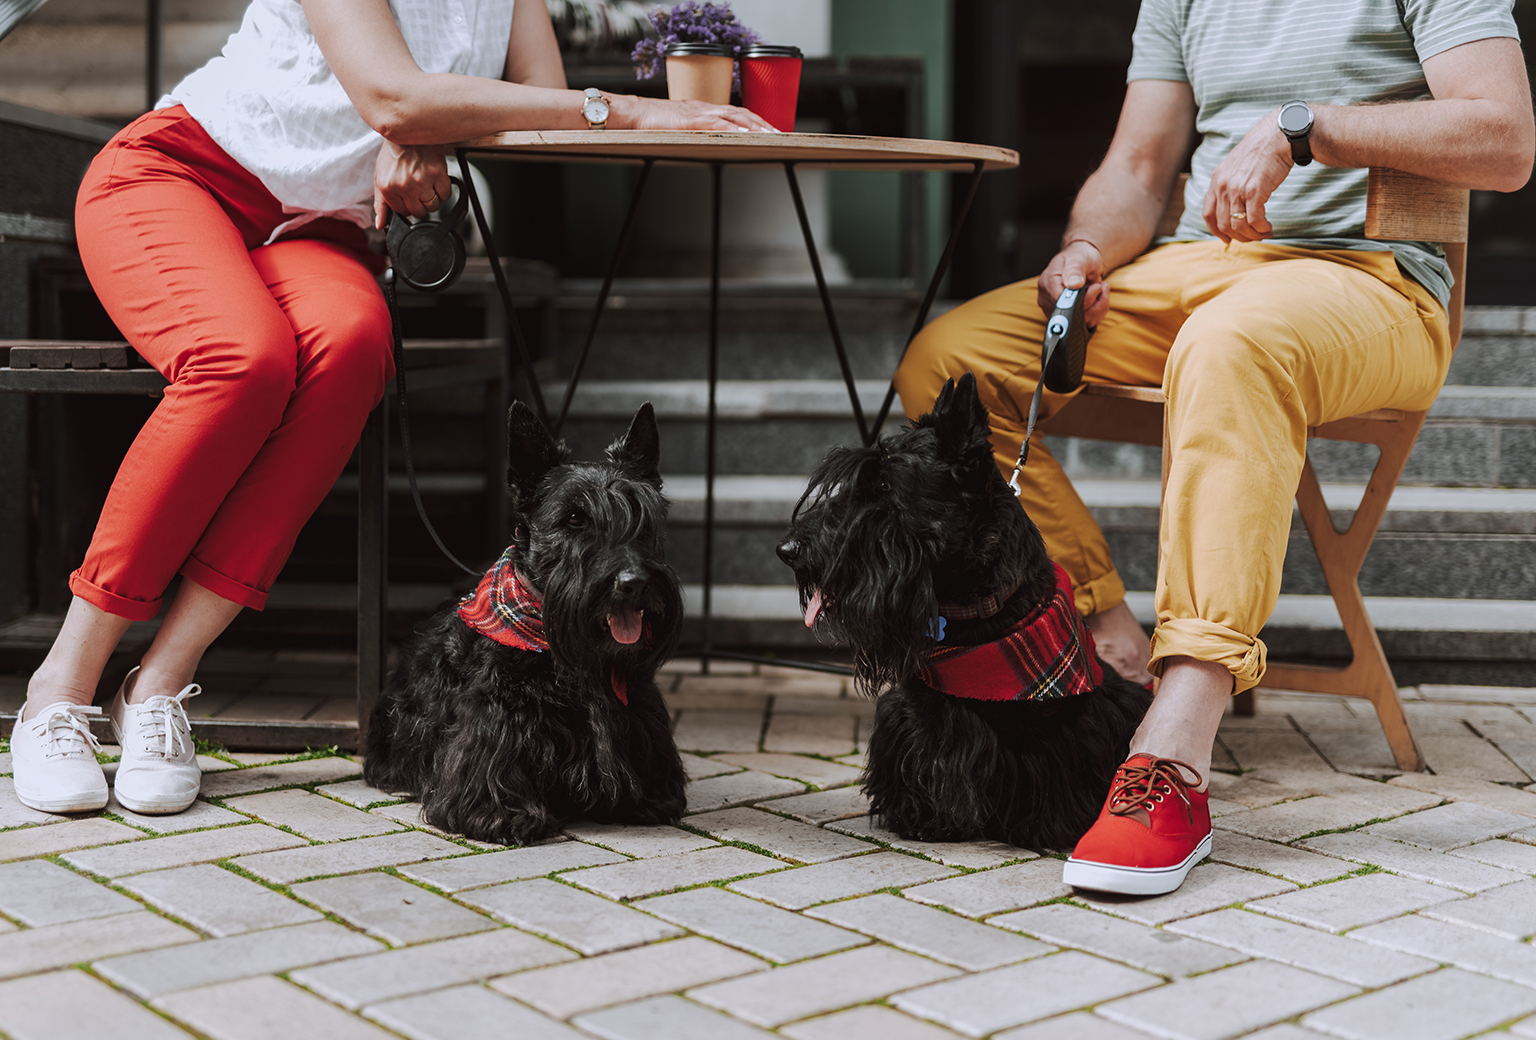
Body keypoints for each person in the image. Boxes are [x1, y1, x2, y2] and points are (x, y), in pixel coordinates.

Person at [12, 0, 774, 816]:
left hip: (317, 231)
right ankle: (59, 690)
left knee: (353, 345)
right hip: (181, 177)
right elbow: (393, 96)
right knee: (244, 360)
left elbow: (538, 107)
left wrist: (432, 135)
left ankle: (156, 687)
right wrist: (634, 110)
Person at [896, 0, 1533, 895]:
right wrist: (1084, 250)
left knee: (1230, 342)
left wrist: (1304, 130)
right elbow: (1137, 166)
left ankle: (1175, 749)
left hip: (1370, 277)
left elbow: (1505, 139)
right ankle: (1105, 630)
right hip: (1193, 268)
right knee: (950, 361)